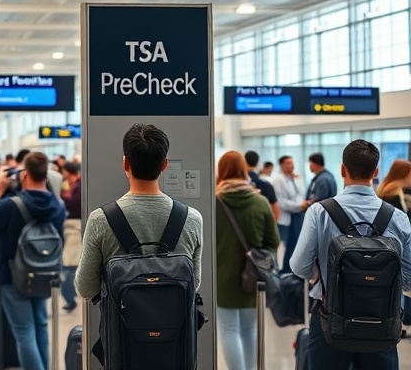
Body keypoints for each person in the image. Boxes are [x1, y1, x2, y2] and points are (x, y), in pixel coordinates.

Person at [290, 140, 411, 370]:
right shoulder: (398, 217)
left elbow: (298, 266)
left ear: (342, 169)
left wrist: (319, 274)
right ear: (376, 173)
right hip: (382, 323)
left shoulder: (319, 212)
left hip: (330, 319)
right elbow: (409, 278)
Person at [75, 123, 204, 300]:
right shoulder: (192, 218)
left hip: (121, 327)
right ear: (164, 165)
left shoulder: (101, 220)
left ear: (125, 163)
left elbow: (86, 289)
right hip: (177, 327)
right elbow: (194, 283)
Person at [0, 152, 66, 370]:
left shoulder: (10, 205)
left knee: (24, 331)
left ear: (24, 175)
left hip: (12, 276)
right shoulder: (57, 206)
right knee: (41, 325)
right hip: (44, 274)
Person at [215, 151, 280, 370]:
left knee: (229, 329)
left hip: (221, 277)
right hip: (254, 276)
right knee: (250, 329)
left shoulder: (213, 201)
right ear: (244, 170)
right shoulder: (260, 202)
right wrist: (262, 258)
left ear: (220, 171)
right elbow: (273, 241)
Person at [271, 155, 306, 273]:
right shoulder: (278, 179)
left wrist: (302, 205)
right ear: (282, 165)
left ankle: (288, 271)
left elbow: (299, 194)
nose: (292, 166)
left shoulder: (292, 178)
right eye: (288, 163)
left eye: (292, 163)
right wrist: (299, 206)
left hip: (295, 216)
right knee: (282, 247)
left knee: (293, 246)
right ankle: (280, 272)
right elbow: (281, 202)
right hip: (284, 218)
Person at [60, 161, 82, 312]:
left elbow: (74, 204)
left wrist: (64, 198)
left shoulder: (80, 186)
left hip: (75, 228)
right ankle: (70, 296)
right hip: (71, 228)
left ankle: (69, 296)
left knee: (69, 266)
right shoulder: (72, 185)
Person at [244, 150, 279, 221]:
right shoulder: (265, 183)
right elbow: (275, 210)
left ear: (244, 161)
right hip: (263, 221)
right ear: (257, 162)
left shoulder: (238, 184)